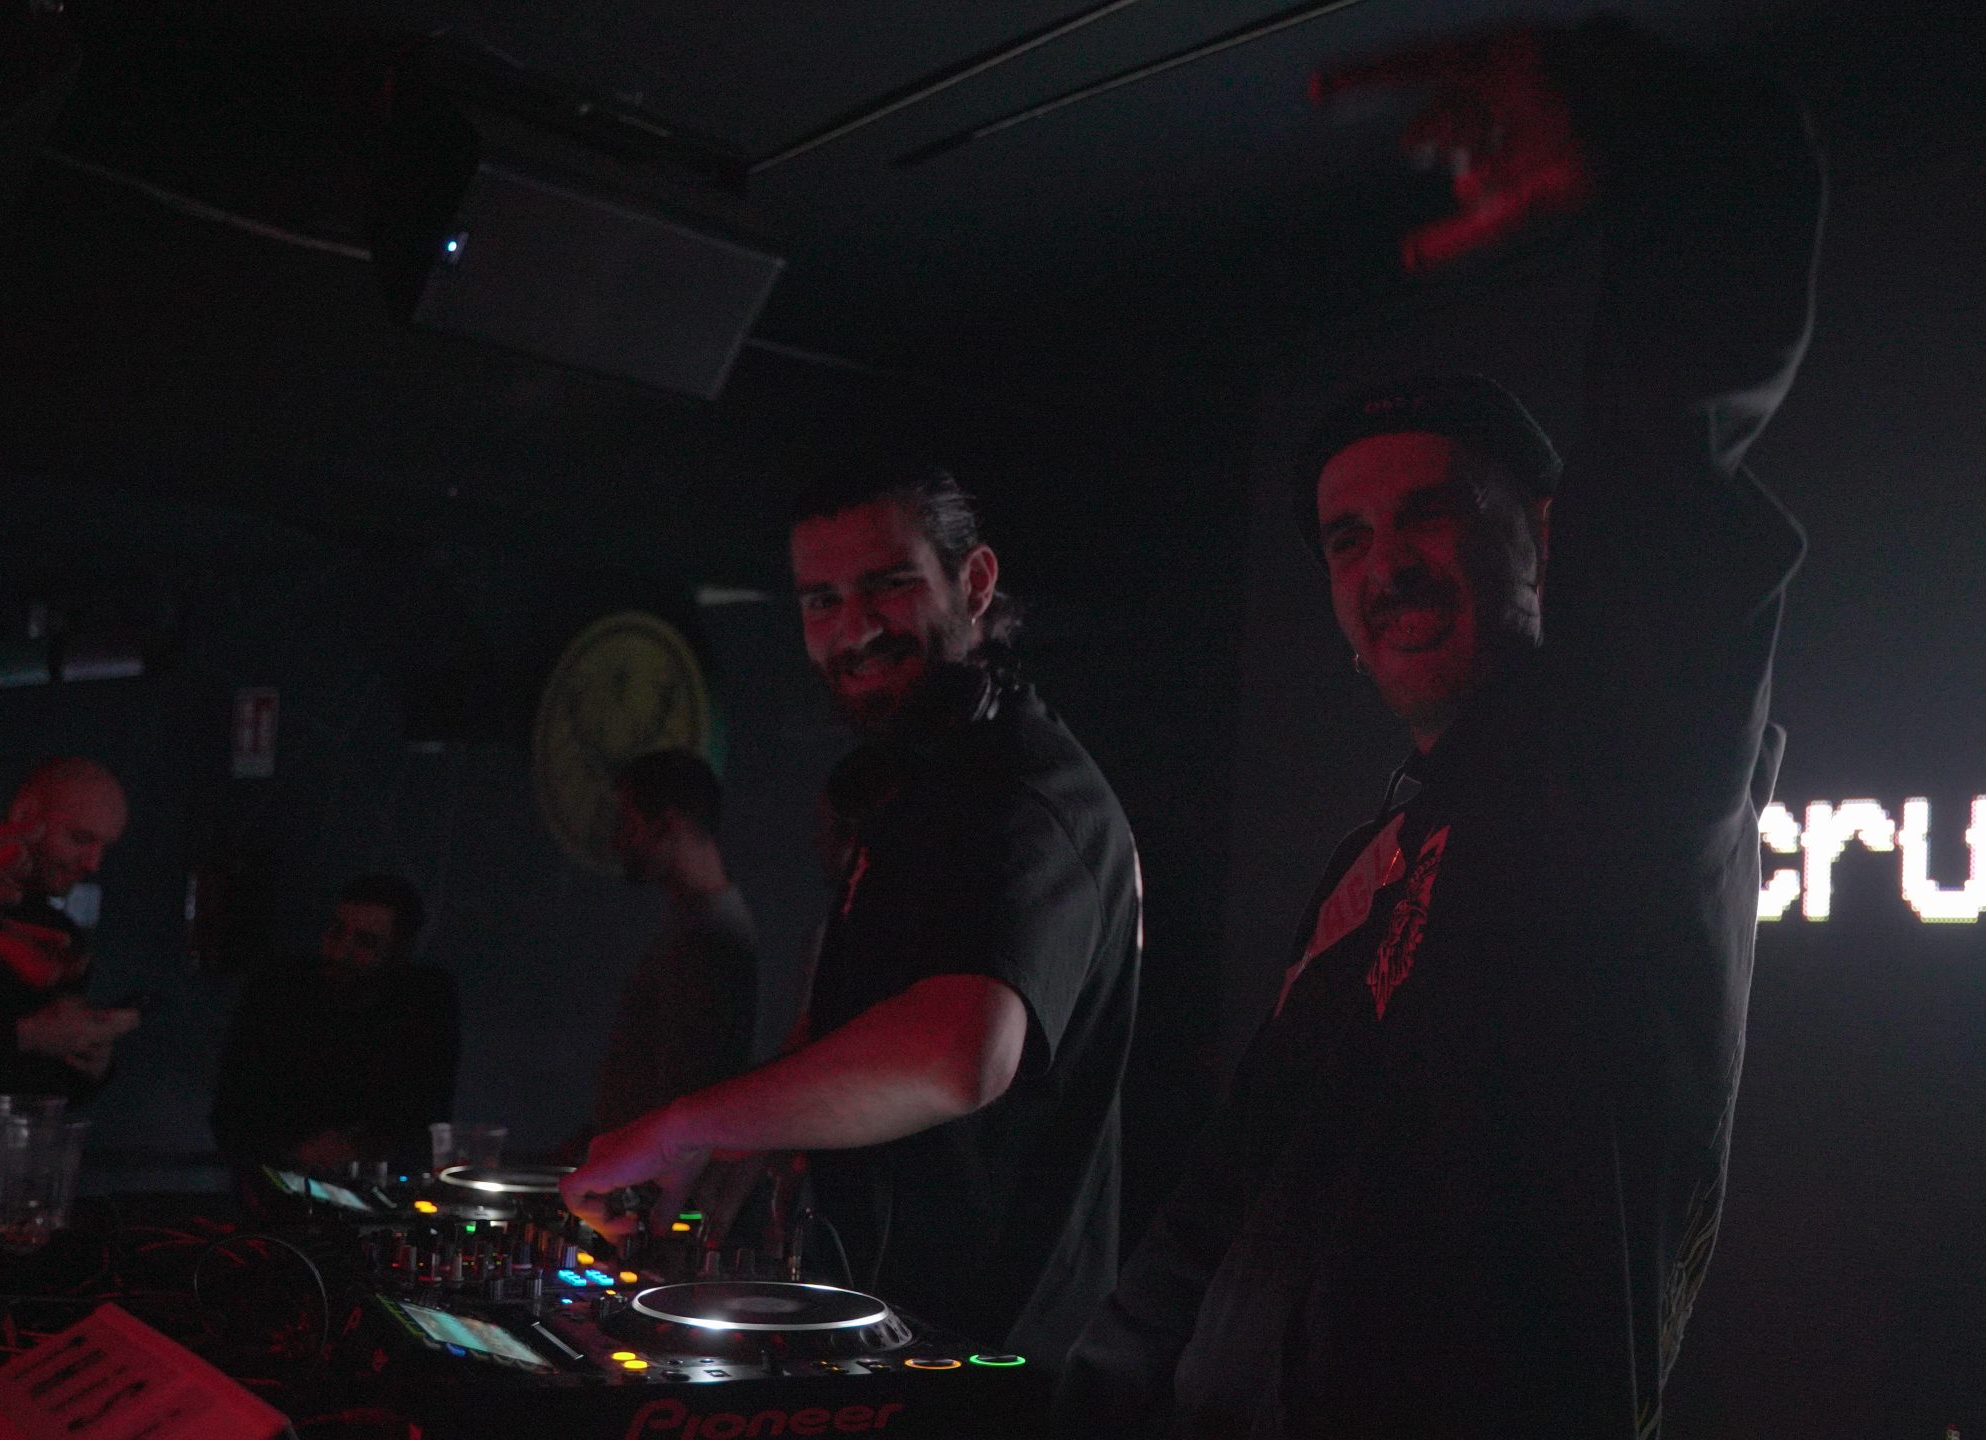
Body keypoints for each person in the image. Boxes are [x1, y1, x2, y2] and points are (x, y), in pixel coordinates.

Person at [1058, 20, 1821, 1436]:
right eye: (1347, 539)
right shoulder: (1376, 860)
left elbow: (1679, 419)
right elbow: (1229, 1195)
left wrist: (1656, 123)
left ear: (1546, 535)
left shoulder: (1615, 761)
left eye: (1432, 513)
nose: (1386, 564)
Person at [566, 464, 1143, 1368]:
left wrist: (690, 1126)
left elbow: (957, 1052)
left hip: (992, 1366)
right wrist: (748, 1148)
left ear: (975, 582)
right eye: (821, 600)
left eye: (888, 584)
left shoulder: (1025, 796)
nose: (854, 628)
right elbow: (865, 1020)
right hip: (900, 1334)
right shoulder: (922, 792)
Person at [211, 873, 460, 1172]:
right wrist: (296, 1151)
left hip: (378, 1179)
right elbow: (231, 1114)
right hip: (277, 1176)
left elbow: (425, 1119)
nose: (341, 951)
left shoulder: (423, 1003)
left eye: (365, 942)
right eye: (337, 931)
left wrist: (363, 1148)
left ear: (398, 952)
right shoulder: (279, 993)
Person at [585, 749, 760, 1138]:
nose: (617, 842)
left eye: (627, 823)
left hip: (657, 1169)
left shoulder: (710, 936)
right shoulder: (698, 924)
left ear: (667, 825)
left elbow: (690, 1089)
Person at [0, 758, 141, 1101]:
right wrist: (27, 1035)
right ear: (24, 813)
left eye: (103, 848)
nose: (92, 864)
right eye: (79, 838)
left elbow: (52, 1088)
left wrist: (91, 1059)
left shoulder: (62, 935)